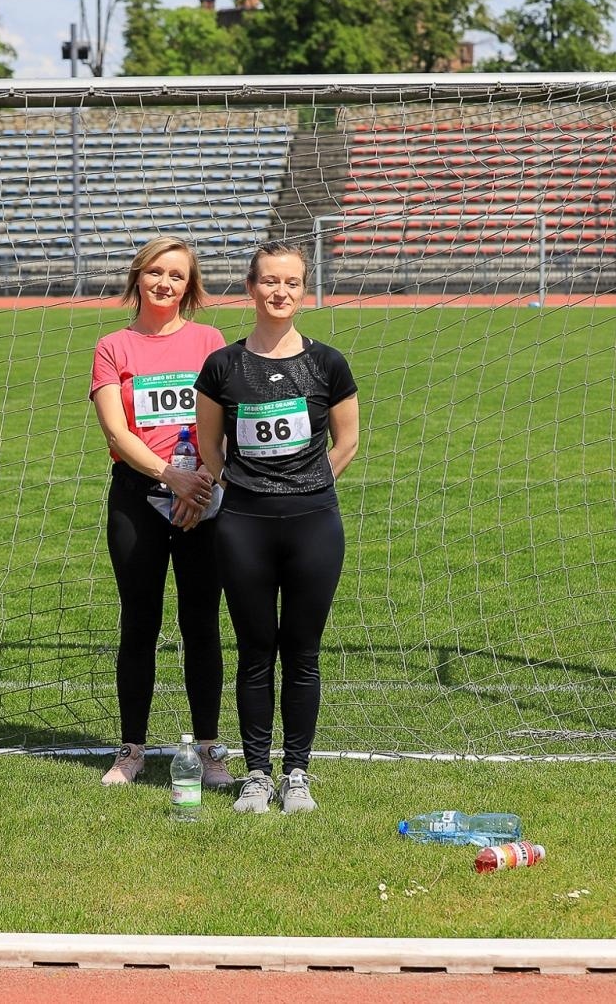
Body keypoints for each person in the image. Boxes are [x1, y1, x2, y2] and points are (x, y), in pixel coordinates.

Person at [194, 241, 359, 815]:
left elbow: (348, 442)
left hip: (314, 524)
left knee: (304, 652)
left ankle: (297, 774)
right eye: (269, 281)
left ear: (304, 290)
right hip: (243, 525)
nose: (279, 292)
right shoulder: (223, 365)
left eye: (291, 282)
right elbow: (209, 445)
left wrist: (306, 484)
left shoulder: (328, 363)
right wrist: (244, 487)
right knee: (256, 651)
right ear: (251, 287)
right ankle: (258, 774)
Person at [89, 236, 233, 789]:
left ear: (189, 286)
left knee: (201, 622)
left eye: (176, 275)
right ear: (138, 278)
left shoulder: (209, 341)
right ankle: (131, 749)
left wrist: (202, 488)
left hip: (203, 495)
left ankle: (209, 748)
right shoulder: (112, 347)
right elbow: (116, 431)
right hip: (137, 497)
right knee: (140, 621)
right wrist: (169, 477)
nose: (164, 283)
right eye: (155, 272)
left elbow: (225, 421)